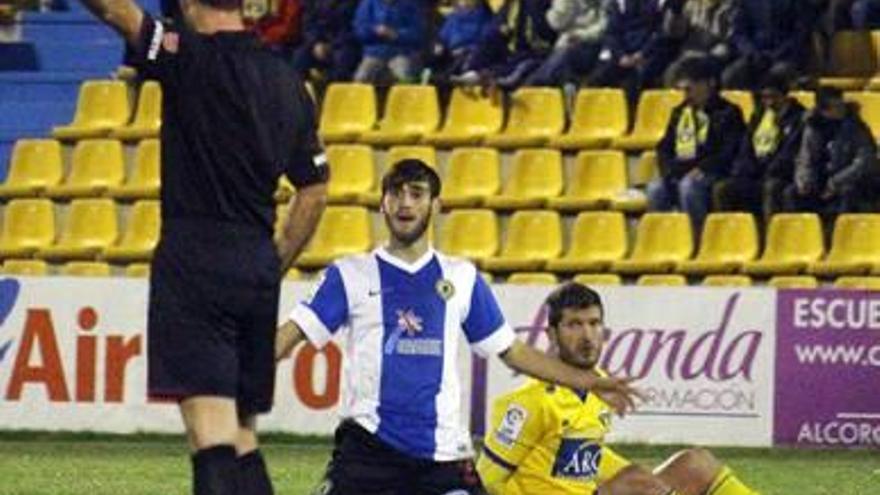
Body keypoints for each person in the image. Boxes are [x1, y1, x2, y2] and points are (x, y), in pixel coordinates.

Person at [75, 0, 330, 494]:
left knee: (209, 431)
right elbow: (314, 191)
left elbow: (113, 11)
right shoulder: (288, 83)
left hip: (197, 255)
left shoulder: (184, 54)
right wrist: (274, 262)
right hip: (257, 260)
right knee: (241, 434)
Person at [275, 160, 641, 495]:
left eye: (416, 193)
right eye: (396, 193)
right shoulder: (350, 274)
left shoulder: (461, 277)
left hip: (443, 456)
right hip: (369, 451)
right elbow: (291, 334)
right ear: (382, 204)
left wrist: (589, 381)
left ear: (435, 206)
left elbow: (512, 350)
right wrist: (229, 372)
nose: (405, 202)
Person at [477, 282, 761, 495]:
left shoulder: (597, 389)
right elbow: (485, 480)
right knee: (635, 480)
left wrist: (642, 479)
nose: (587, 336)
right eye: (574, 325)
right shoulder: (528, 403)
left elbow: (584, 461)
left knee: (695, 463)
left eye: (594, 323)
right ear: (552, 334)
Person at [648, 57, 746, 235]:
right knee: (655, 189)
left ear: (709, 84)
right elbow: (664, 147)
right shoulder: (679, 113)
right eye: (683, 90)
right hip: (681, 170)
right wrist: (669, 170)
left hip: (713, 171)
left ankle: (698, 238)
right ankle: (661, 240)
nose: (686, 95)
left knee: (689, 187)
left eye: (690, 89)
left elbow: (730, 150)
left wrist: (703, 167)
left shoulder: (729, 112)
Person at [714, 74, 806, 225]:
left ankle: (772, 238)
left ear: (784, 95)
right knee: (723, 188)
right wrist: (746, 170)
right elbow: (746, 148)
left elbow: (791, 153)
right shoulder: (758, 116)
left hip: (782, 176)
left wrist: (770, 170)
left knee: (771, 188)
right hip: (756, 173)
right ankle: (731, 235)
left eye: (773, 97)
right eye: (765, 97)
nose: (769, 102)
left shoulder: (799, 118)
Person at [784, 87, 880, 224]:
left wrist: (835, 183)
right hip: (821, 178)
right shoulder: (813, 127)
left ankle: (840, 235)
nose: (841, 109)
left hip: (845, 179)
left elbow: (864, 161)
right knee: (791, 193)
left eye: (841, 105)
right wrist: (804, 181)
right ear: (824, 110)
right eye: (836, 107)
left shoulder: (855, 127)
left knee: (848, 192)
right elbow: (805, 157)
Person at [723, 0, 811, 89]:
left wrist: (776, 54)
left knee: (775, 76)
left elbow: (799, 35)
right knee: (730, 76)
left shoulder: (795, 2)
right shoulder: (746, 2)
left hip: (785, 57)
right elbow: (739, 33)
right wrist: (751, 53)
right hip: (754, 56)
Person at [522, 0, 607, 87]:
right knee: (529, 64)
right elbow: (557, 24)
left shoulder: (603, 4)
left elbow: (604, 27)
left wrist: (579, 35)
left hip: (592, 46)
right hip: (563, 44)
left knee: (564, 55)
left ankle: (532, 86)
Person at [352, 0, 427, 84]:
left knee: (404, 76)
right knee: (361, 78)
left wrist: (396, 35)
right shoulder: (368, 3)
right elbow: (360, 31)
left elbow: (417, 33)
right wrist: (375, 31)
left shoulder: (410, 4)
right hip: (374, 53)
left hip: (401, 53)